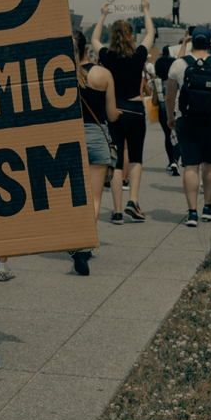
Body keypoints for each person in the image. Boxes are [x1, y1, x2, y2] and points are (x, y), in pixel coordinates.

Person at [90, 0, 155, 224]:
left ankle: (117, 210)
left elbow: (94, 40)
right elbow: (151, 33)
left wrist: (102, 15)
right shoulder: (139, 55)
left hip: (114, 110)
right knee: (136, 157)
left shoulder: (107, 56)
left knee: (116, 160)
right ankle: (133, 202)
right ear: (130, 36)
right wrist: (146, 11)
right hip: (136, 109)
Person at [165, 26, 211, 227]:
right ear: (209, 42)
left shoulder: (179, 64)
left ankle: (192, 212)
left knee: (190, 165)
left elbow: (170, 96)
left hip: (185, 119)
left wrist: (171, 117)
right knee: (210, 162)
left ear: (192, 41)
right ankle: (208, 207)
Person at [75, 31, 120, 275]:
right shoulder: (102, 74)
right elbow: (111, 114)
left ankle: (73, 238)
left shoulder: (58, 74)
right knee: (93, 197)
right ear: (86, 49)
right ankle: (83, 246)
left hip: (67, 138)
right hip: (95, 135)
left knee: (72, 195)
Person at [153, 46, 181, 176]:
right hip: (175, 109)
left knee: (167, 136)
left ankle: (171, 161)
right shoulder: (175, 81)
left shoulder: (157, 82)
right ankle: (176, 160)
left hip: (162, 111)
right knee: (176, 136)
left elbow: (154, 102)